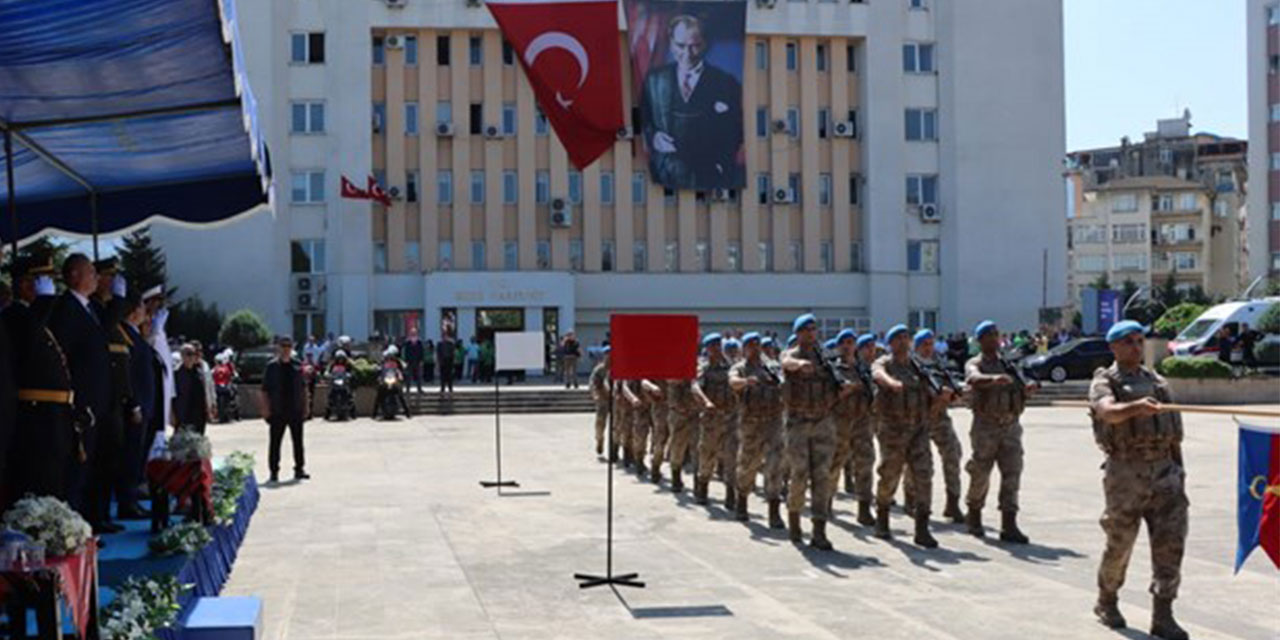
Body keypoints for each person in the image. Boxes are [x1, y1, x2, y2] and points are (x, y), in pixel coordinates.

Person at [1088, 320, 1189, 640]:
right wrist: (1134, 408)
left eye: (1139, 340)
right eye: (1129, 341)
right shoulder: (1105, 381)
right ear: (1114, 347)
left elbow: (1174, 435)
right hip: (1126, 473)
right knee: (1119, 545)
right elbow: (1107, 412)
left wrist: (1180, 472)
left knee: (1171, 545)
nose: (1136, 345)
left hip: (1165, 473)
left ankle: (1163, 613)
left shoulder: (1158, 381)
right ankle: (1107, 599)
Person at [638, 14, 744, 189]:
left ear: (705, 44)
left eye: (694, 46)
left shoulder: (726, 83)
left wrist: (719, 163)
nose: (687, 54)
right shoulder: (655, 80)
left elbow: (737, 127)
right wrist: (654, 137)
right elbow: (643, 118)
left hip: (708, 176)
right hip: (662, 175)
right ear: (671, 44)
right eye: (680, 46)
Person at [48, 254, 113, 529]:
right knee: (77, 468)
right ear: (74, 275)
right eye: (90, 272)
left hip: (97, 399)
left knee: (93, 466)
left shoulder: (89, 308)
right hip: (81, 401)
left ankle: (91, 520)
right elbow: (65, 357)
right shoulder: (66, 309)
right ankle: (74, 525)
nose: (96, 278)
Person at [780, 315, 849, 550]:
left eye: (814, 329)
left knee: (822, 476)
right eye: (806, 329)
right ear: (798, 333)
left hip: (823, 421)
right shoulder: (790, 354)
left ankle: (819, 529)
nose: (811, 333)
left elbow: (836, 383)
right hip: (798, 422)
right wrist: (800, 365)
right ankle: (794, 518)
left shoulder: (826, 358)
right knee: (799, 473)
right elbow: (786, 363)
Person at [963, 320, 1036, 544]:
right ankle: (974, 512)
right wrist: (993, 379)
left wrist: (1028, 387)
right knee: (981, 472)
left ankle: (1009, 522)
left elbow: (1022, 382)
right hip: (986, 426)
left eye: (996, 334)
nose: (995, 338)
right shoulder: (976, 363)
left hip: (1011, 426)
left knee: (1012, 472)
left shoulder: (1009, 364)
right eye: (989, 335)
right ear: (980, 340)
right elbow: (972, 378)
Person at [870, 324, 937, 548]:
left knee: (924, 474)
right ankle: (882, 516)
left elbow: (930, 391)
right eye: (898, 338)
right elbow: (877, 373)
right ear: (890, 343)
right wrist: (891, 383)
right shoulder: (885, 363)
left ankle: (922, 527)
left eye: (906, 338)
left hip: (918, 429)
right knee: (890, 474)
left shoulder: (918, 366)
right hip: (892, 429)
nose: (903, 341)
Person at [729, 332, 785, 527]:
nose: (754, 348)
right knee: (747, 464)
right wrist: (746, 382)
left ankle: (774, 510)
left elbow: (785, 382)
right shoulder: (739, 368)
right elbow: (733, 382)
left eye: (757, 344)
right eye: (750, 345)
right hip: (750, 423)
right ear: (744, 348)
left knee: (775, 465)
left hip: (773, 422)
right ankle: (742, 500)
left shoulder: (772, 366)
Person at [825, 329, 875, 527]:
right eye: (844, 342)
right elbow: (825, 397)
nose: (847, 345)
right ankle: (826, 502)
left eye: (851, 342)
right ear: (838, 346)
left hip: (862, 421)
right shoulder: (831, 368)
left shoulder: (864, 368)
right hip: (839, 422)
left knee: (865, 464)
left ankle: (864, 508)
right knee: (834, 464)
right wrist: (843, 393)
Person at [693, 333, 735, 507]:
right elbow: (695, 387)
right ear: (707, 349)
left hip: (730, 417)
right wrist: (706, 401)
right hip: (711, 419)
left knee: (731, 456)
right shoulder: (704, 368)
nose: (717, 349)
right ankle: (702, 486)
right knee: (707, 454)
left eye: (718, 345)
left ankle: (731, 494)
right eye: (713, 346)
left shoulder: (731, 367)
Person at [261, 336, 309, 483]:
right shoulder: (272, 367)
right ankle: (274, 472)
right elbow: (264, 390)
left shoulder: (297, 365)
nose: (286, 349)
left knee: (298, 442)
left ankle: (299, 469)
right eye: (283, 346)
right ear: (278, 348)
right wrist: (265, 409)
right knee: (275, 443)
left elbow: (303, 388)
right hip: (277, 411)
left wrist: (306, 407)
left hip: (295, 409)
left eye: (288, 346)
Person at [174, 344, 210, 434]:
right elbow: (172, 397)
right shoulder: (176, 373)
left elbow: (204, 391)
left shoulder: (199, 371)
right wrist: (172, 415)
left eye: (194, 354)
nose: (192, 357)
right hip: (184, 414)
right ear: (182, 356)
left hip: (199, 414)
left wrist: (208, 407)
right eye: (189, 354)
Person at [588, 348, 611, 456]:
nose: (609, 357)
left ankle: (616, 449)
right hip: (603, 399)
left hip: (617, 400)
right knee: (600, 423)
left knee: (618, 426)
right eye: (607, 355)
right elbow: (592, 383)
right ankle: (599, 439)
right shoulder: (599, 369)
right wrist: (595, 395)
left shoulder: (619, 367)